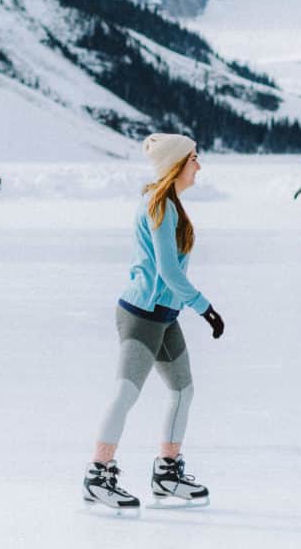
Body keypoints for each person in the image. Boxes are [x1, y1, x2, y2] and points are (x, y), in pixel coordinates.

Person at [83, 133, 223, 512]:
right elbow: (169, 271)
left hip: (163, 315)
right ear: (176, 164)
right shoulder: (160, 204)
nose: (199, 164)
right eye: (194, 157)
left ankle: (167, 472)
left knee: (183, 390)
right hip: (142, 315)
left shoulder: (167, 203)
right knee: (126, 392)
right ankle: (98, 473)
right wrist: (206, 308)